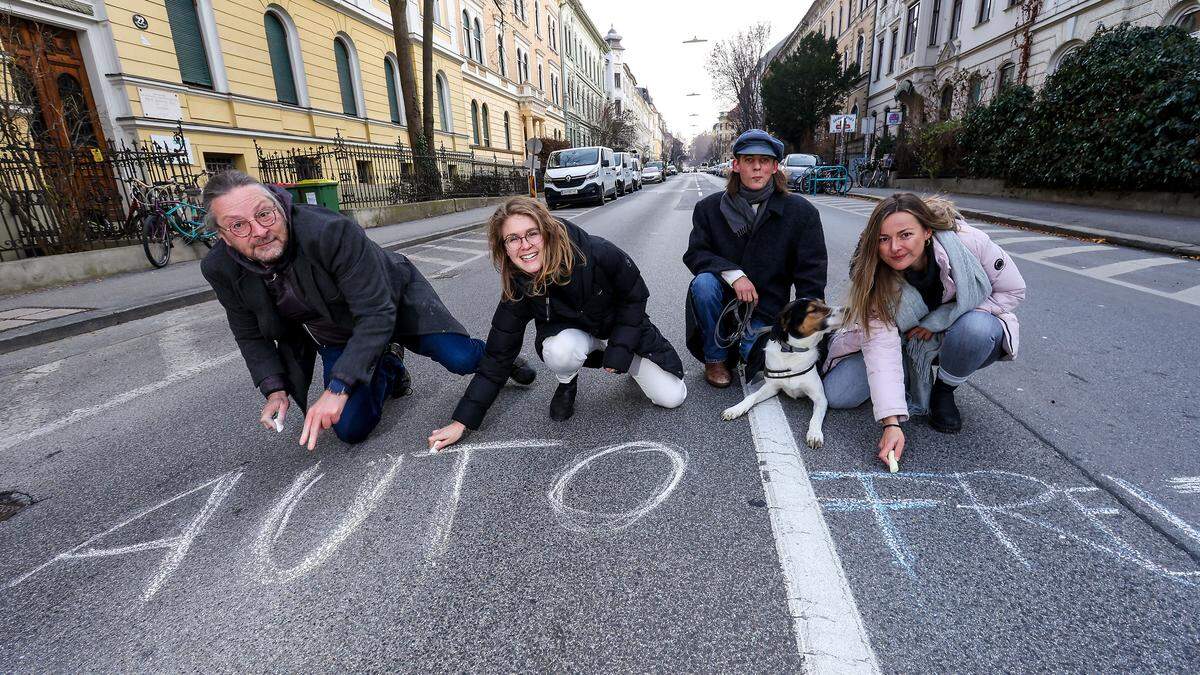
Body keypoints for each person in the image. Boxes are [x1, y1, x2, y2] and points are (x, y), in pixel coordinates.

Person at [199, 171, 534, 450]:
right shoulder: (221, 269)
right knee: (349, 428)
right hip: (339, 335)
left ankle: (498, 360)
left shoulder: (329, 231)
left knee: (460, 359)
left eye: (264, 214)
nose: (259, 231)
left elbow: (376, 312)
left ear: (279, 208)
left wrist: (337, 387)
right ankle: (387, 365)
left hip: (394, 304)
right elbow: (249, 332)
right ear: (224, 237)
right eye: (239, 225)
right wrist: (274, 388)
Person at [428, 196, 686, 450]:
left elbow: (635, 297)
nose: (525, 245)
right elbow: (498, 355)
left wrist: (621, 348)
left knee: (672, 397)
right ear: (504, 247)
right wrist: (462, 422)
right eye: (513, 239)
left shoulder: (596, 252)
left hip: (619, 329)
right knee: (559, 351)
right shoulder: (520, 286)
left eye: (532, 233)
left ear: (548, 232)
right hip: (574, 338)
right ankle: (567, 382)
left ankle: (623, 360)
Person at [822, 193, 1026, 467]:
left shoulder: (969, 243)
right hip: (904, 340)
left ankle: (944, 390)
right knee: (837, 395)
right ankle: (905, 373)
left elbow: (1012, 290)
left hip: (955, 333)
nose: (895, 247)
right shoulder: (874, 275)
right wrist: (891, 423)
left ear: (927, 231)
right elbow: (881, 345)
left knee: (976, 329)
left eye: (905, 235)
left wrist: (944, 319)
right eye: (883, 239)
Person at [683, 129, 828, 387]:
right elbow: (696, 253)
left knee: (768, 371)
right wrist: (735, 275)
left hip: (767, 309)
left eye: (764, 161)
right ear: (736, 165)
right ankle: (715, 358)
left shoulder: (801, 212)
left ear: (775, 167)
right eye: (749, 161)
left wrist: (810, 331)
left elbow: (811, 273)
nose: (757, 168)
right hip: (724, 307)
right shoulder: (709, 209)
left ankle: (744, 346)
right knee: (703, 284)